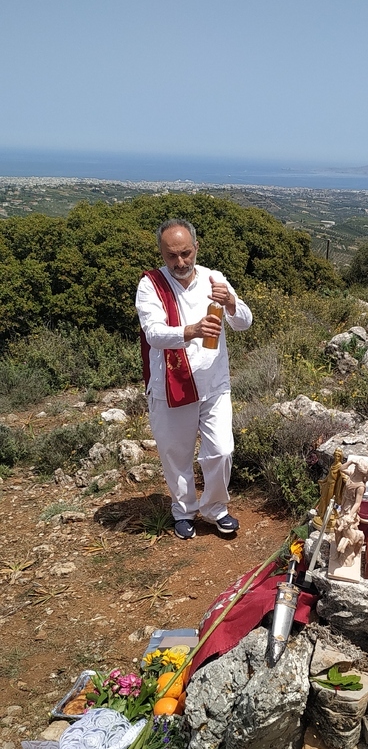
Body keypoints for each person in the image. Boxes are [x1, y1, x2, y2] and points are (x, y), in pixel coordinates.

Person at [136, 218, 253, 539]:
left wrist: (231, 301)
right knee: (176, 455)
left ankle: (215, 508)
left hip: (214, 384)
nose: (180, 262)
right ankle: (183, 511)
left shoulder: (215, 279)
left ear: (196, 248)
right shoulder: (151, 285)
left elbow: (244, 322)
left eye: (186, 253)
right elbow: (154, 333)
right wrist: (193, 330)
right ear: (161, 253)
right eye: (171, 255)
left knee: (221, 450)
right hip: (170, 387)